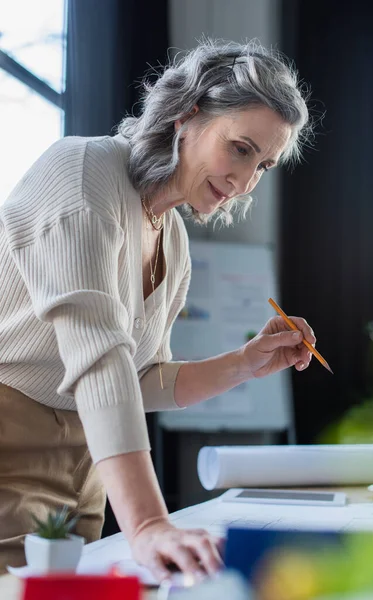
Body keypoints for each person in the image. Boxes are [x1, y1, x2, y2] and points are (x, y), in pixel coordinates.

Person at [0, 38, 316, 581]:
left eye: (263, 165)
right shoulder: (82, 173)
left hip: (90, 469)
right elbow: (99, 361)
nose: (245, 183)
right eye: (240, 148)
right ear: (187, 114)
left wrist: (246, 362)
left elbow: (141, 380)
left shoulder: (172, 241)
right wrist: (147, 524)